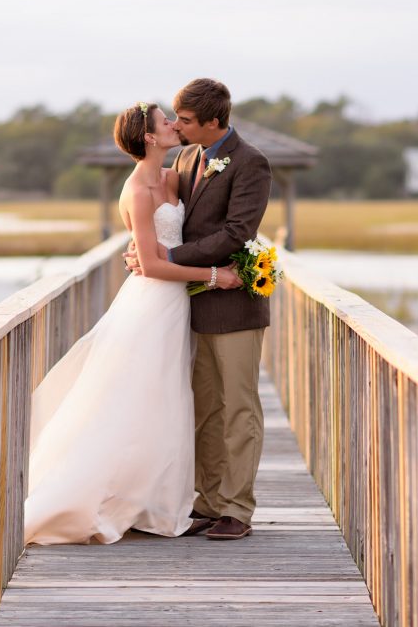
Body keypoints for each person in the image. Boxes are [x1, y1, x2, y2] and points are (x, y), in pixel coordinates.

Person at [23, 100, 240, 545]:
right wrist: (217, 276)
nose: (175, 126)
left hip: (178, 305)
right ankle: (102, 497)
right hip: (150, 304)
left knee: (169, 399)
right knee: (136, 397)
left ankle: (159, 503)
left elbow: (184, 232)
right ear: (149, 137)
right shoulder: (136, 191)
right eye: (167, 122)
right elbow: (153, 266)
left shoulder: (174, 176)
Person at [126, 78, 273, 540]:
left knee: (238, 408)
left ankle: (236, 508)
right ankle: (207, 502)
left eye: (186, 121)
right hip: (188, 305)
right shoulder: (187, 157)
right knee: (205, 407)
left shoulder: (252, 164)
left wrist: (170, 259)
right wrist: (142, 248)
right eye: (175, 120)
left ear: (214, 121)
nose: (178, 126)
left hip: (233, 301)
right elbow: (149, 198)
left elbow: (236, 233)